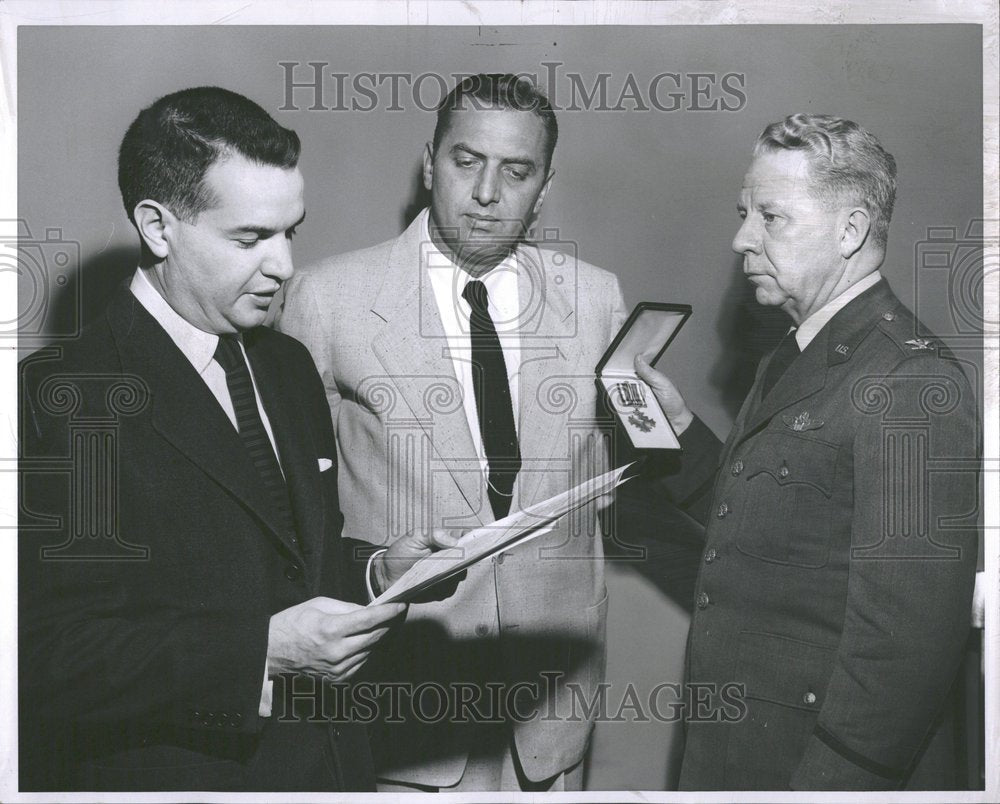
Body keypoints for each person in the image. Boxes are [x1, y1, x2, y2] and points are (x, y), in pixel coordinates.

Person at [18, 86, 449, 792]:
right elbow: (42, 656)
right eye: (250, 239)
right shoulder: (59, 398)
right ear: (158, 228)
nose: (282, 264)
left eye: (291, 232)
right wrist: (261, 653)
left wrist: (378, 570)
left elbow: (280, 559)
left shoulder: (286, 365)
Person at [277, 73, 629, 792]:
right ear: (429, 162)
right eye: (466, 161)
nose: (487, 192)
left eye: (516, 170)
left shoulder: (597, 298)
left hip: (551, 706)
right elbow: (293, 513)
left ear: (545, 187)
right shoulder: (326, 299)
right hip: (404, 707)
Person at [629, 113, 979, 790]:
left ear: (849, 231)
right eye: (742, 213)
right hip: (738, 755)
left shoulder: (911, 383)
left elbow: (907, 646)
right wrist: (675, 433)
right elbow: (764, 527)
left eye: (770, 217)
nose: (740, 239)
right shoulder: (793, 354)